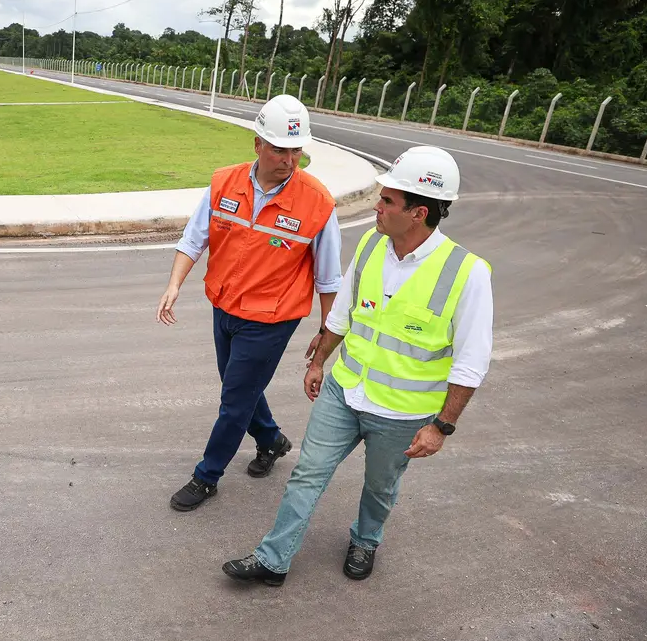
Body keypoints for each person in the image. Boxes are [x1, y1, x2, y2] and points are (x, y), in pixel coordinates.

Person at [222, 144, 493, 586]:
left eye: (387, 200)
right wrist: (320, 361)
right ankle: (273, 559)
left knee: (380, 488)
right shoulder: (371, 243)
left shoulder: (467, 273)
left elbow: (471, 363)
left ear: (419, 212)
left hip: (402, 413)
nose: (377, 206)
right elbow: (345, 312)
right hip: (345, 392)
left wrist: (440, 427)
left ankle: (366, 540)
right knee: (307, 475)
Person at [157, 94, 343, 512]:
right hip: (224, 306)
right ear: (257, 143)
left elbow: (329, 278)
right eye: (280, 149)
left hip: (271, 319)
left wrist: (326, 334)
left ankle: (207, 477)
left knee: (234, 399)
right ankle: (271, 439)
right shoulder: (223, 183)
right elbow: (194, 238)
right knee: (237, 384)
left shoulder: (317, 204)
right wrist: (174, 285)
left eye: (297, 150)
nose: (290, 160)